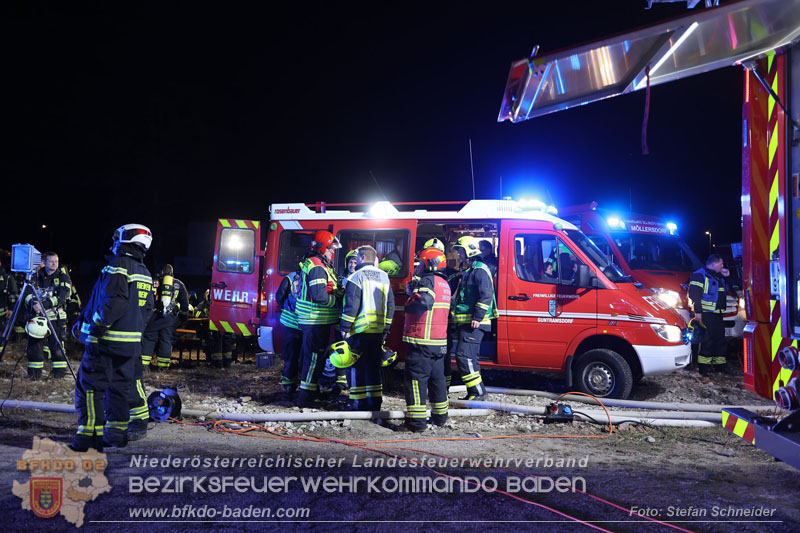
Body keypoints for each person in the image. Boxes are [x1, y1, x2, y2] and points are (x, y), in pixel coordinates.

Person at [70, 224, 154, 451]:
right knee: (119, 388)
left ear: (125, 239)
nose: (113, 242)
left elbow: (114, 302)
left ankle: (88, 436)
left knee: (90, 387)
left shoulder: (117, 266)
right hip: (130, 345)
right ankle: (116, 434)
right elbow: (146, 310)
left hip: (105, 341)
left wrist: (95, 328)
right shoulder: (144, 272)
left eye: (116, 238)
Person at [339, 245, 394, 411]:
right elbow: (390, 305)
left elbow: (352, 305)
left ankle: (357, 403)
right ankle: (375, 403)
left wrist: (345, 327)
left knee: (356, 368)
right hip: (378, 332)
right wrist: (386, 328)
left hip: (360, 331)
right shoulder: (384, 276)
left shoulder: (356, 276)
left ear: (362, 258)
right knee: (373, 368)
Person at [402, 247, 451, 432]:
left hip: (422, 340)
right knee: (437, 380)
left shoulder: (427, 280)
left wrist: (410, 301)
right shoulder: (444, 284)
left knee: (415, 380)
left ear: (430, 264)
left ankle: (416, 423)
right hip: (438, 342)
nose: (419, 266)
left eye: (421, 263)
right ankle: (440, 417)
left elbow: (424, 302)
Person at [296, 230, 342, 407]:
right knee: (314, 359)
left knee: (315, 359)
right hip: (315, 320)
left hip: (316, 321)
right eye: (330, 249)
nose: (332, 252)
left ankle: (311, 393)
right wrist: (336, 301)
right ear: (322, 248)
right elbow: (319, 296)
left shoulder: (318, 264)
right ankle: (306, 399)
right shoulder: (317, 267)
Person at [450, 236, 498, 401]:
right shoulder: (470, 271)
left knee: (464, 356)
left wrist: (477, 316)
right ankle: (476, 392)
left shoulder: (480, 270)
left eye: (461, 251)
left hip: (476, 323)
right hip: (468, 322)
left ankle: (477, 392)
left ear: (469, 251)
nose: (459, 255)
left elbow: (486, 295)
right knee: (469, 357)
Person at [24, 252, 71, 380]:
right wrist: (34, 304)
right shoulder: (36, 276)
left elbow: (63, 296)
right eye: (51, 261)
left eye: (56, 261)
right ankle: (34, 376)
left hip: (56, 318)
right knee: (34, 347)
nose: (54, 264)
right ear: (44, 262)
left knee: (57, 347)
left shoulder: (63, 277)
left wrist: (43, 304)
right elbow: (27, 293)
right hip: (37, 317)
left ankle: (59, 376)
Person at [688, 254, 732, 375]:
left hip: (717, 314)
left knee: (720, 341)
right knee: (706, 341)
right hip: (706, 314)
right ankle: (704, 368)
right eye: (721, 264)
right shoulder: (699, 275)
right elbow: (694, 295)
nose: (723, 266)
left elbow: (729, 288)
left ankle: (720, 366)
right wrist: (698, 312)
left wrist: (728, 276)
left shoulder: (718, 276)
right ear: (713, 264)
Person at [141, 264, 189, 371]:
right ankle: (163, 367)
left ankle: (143, 365)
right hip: (170, 318)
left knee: (149, 337)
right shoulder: (179, 284)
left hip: (154, 316)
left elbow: (147, 297)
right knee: (166, 339)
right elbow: (185, 304)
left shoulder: (154, 282)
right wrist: (183, 316)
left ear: (162, 272)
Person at [275, 268, 302, 392]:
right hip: (295, 323)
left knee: (293, 354)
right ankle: (289, 383)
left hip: (304, 324)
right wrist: (286, 308)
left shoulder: (294, 277)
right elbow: (280, 296)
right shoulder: (292, 277)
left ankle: (291, 383)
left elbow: (280, 297)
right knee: (292, 354)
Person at [0, 252, 19, 352]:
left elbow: (13, 294)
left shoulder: (7, 278)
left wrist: (11, 309)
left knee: (1, 335)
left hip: (2, 314)